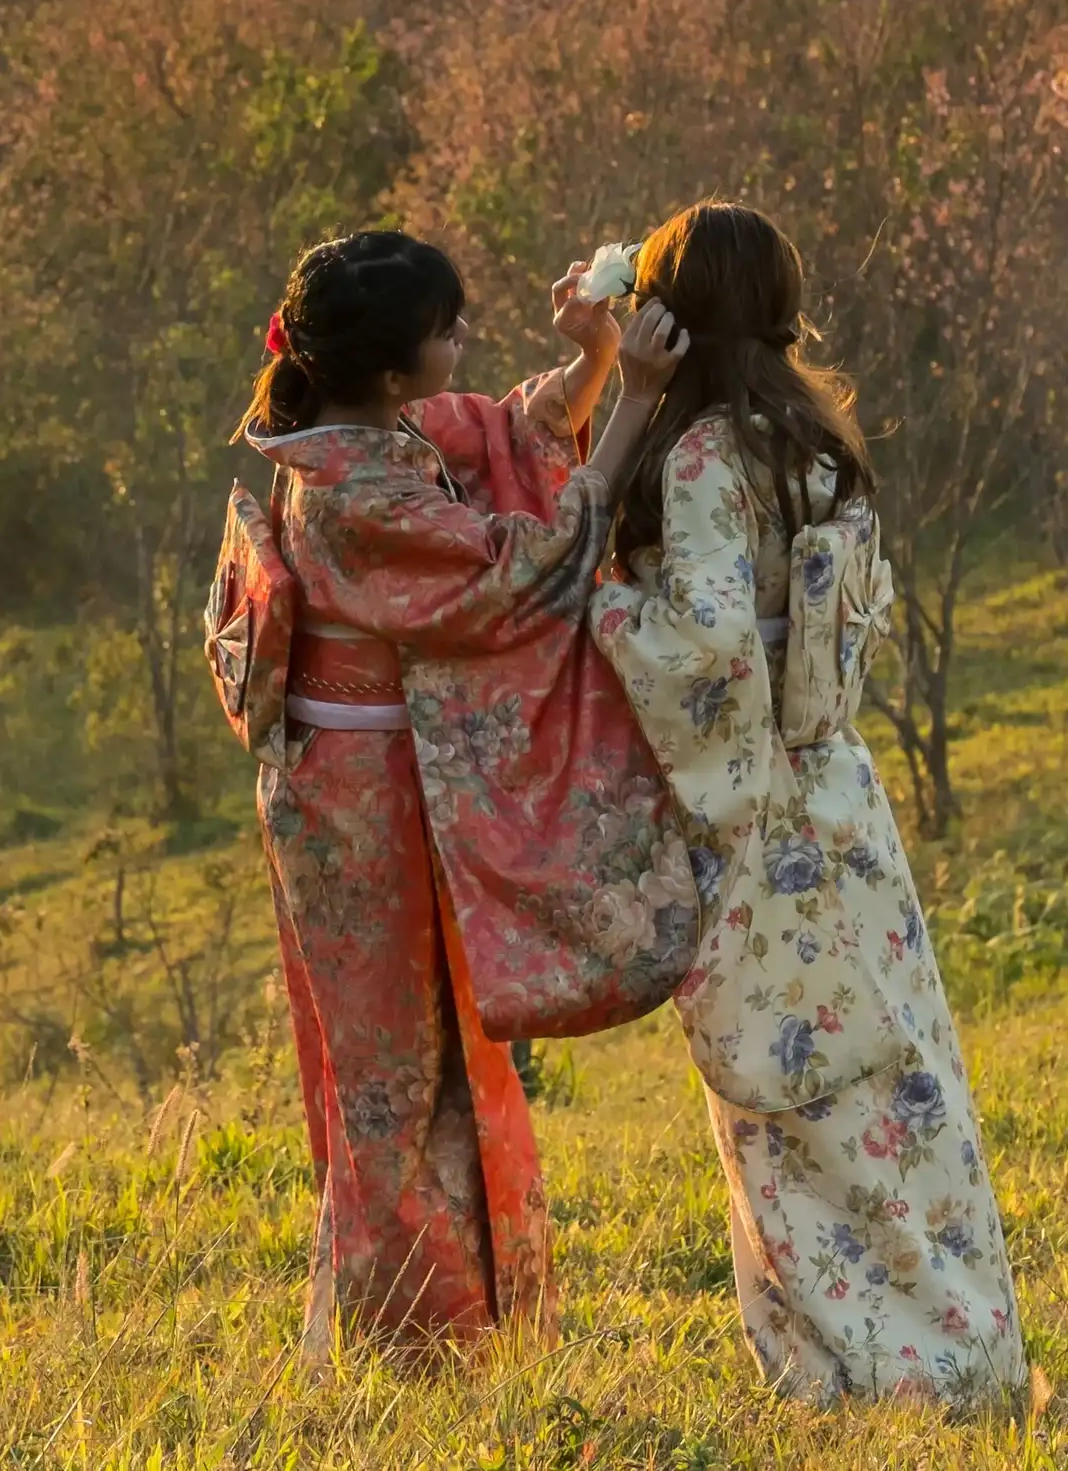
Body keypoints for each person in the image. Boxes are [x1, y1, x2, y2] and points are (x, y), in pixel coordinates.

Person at [590, 202, 1026, 1407]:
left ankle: (859, 1369)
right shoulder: (820, 443)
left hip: (756, 817)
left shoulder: (699, 460)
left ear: (672, 316)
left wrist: (599, 602)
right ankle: (966, 1346)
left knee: (792, 1098)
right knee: (898, 1080)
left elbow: (707, 654)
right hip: (842, 794)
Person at [238, 229, 689, 1355]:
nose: (462, 343)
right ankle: (411, 1344)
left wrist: (591, 360)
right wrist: (636, 400)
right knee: (392, 1073)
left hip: (377, 785)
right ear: (394, 371)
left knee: (435, 1054)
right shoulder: (353, 492)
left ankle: (450, 1330)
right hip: (356, 806)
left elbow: (503, 431)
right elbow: (522, 567)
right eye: (446, 332)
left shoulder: (358, 435)